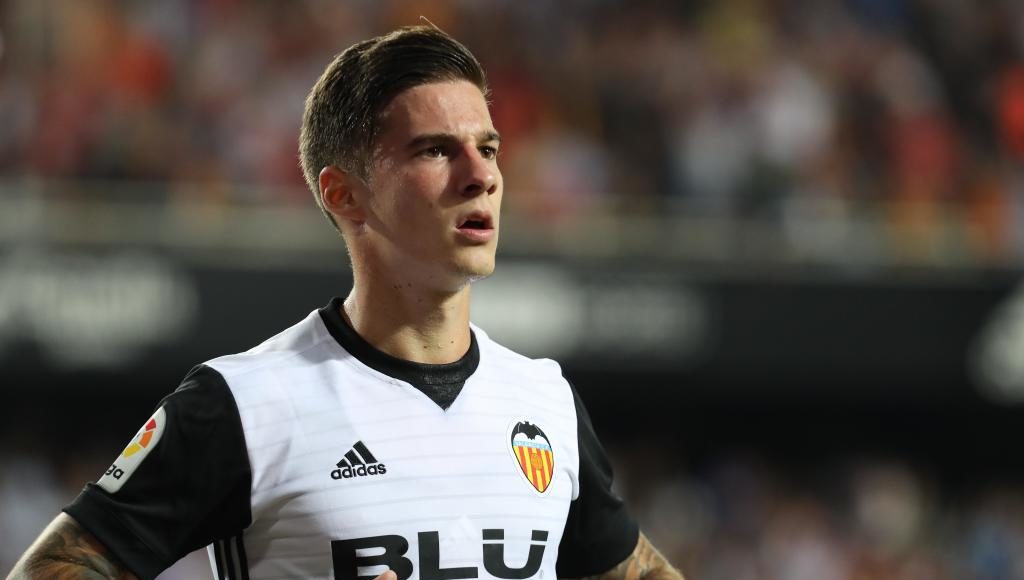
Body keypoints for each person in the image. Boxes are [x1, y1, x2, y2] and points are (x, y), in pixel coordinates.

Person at [8, 26, 685, 580]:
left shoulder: (544, 400)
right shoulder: (246, 403)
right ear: (343, 194)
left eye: (488, 148)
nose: (481, 175)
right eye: (435, 150)